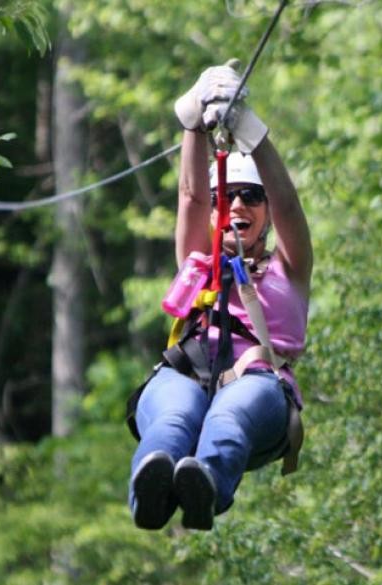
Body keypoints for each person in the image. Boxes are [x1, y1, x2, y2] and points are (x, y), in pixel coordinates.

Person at [127, 61, 313, 531]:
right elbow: (190, 195)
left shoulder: (288, 268)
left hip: (258, 387)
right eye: (225, 198)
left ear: (266, 212)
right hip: (185, 375)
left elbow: (289, 202)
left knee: (230, 416)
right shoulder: (197, 259)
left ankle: (204, 486)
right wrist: (192, 122)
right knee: (172, 418)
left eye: (251, 196)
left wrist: (253, 133)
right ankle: (150, 493)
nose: (236, 206)